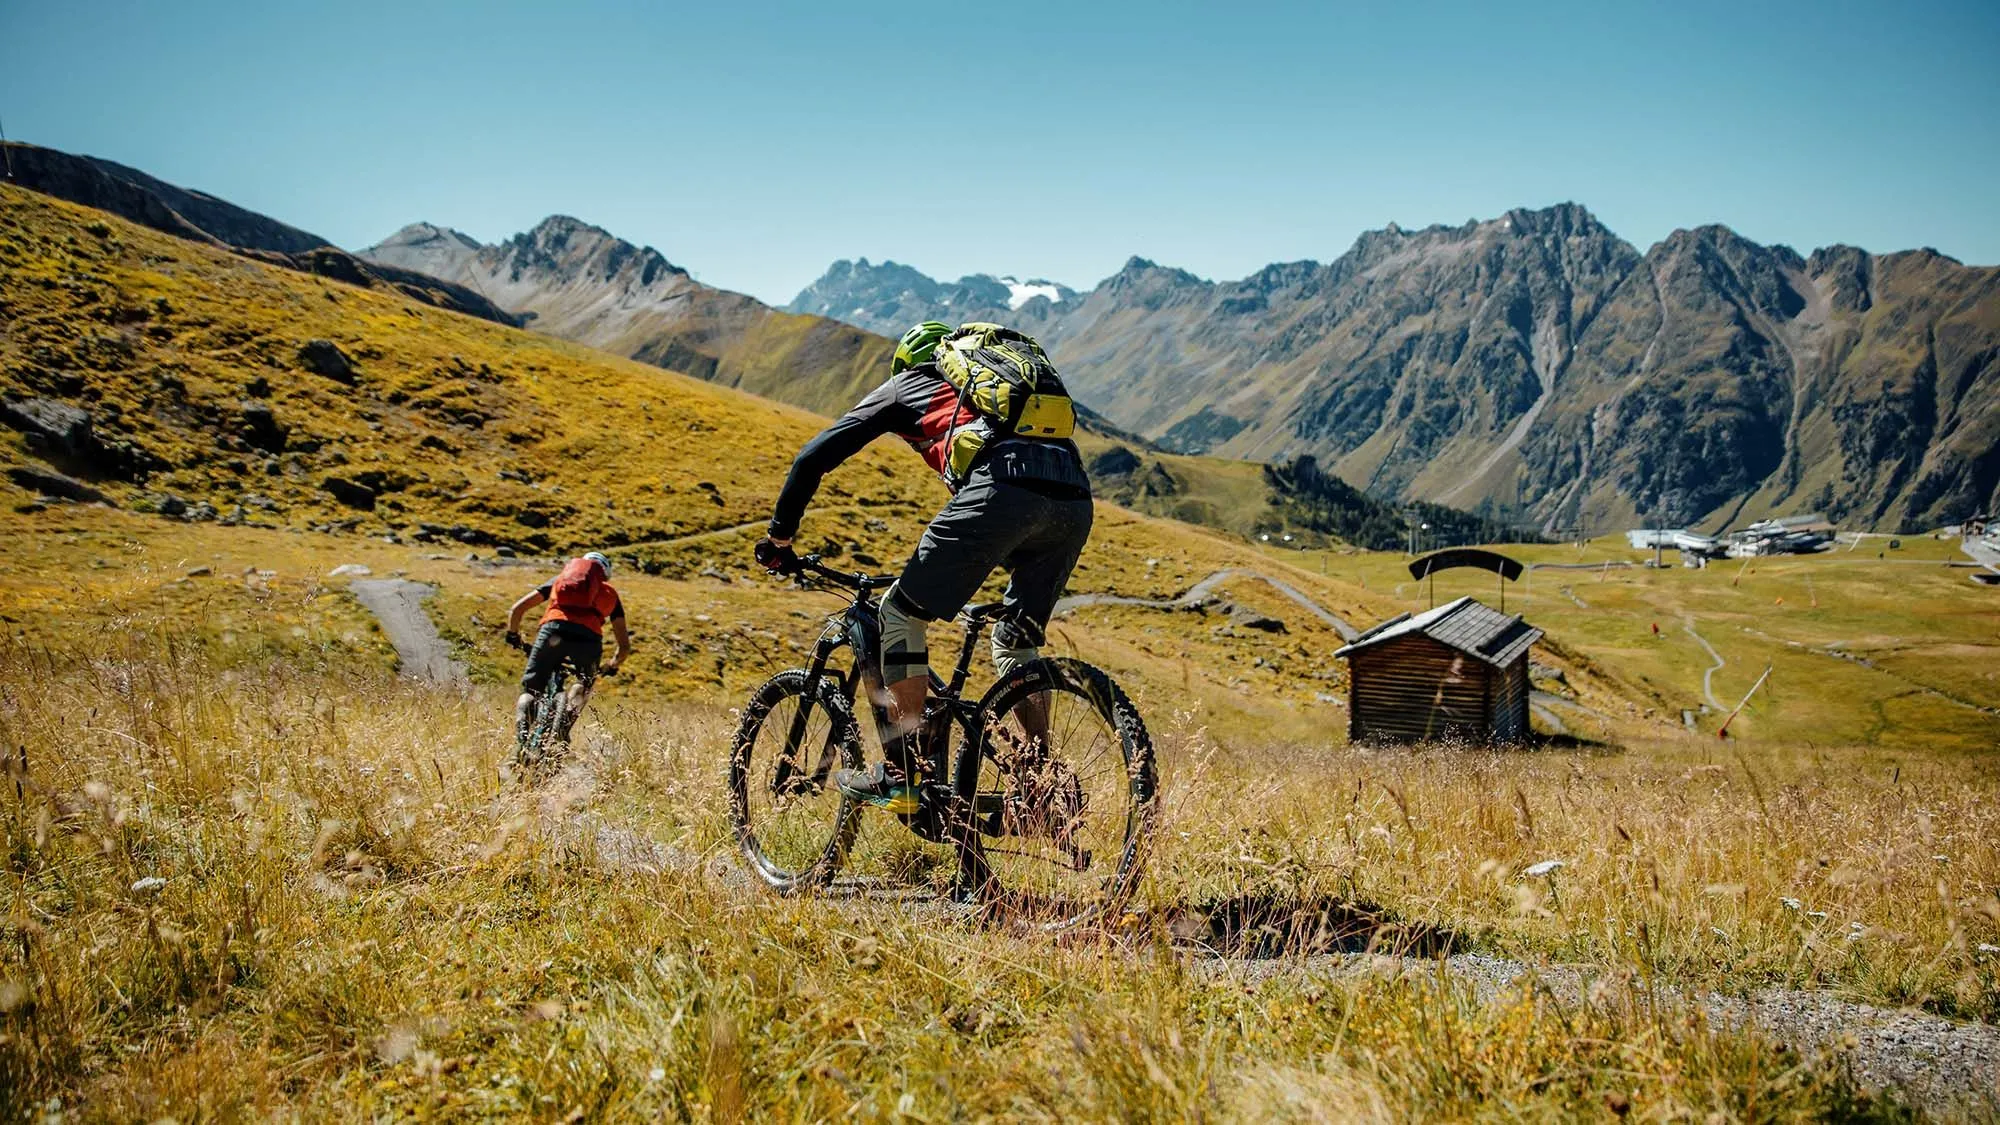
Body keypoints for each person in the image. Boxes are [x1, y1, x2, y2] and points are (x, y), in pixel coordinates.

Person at [755, 321, 1093, 813]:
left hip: (1003, 490)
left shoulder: (911, 382)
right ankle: (1043, 779)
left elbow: (814, 457)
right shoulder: (999, 394)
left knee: (900, 615)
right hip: (1075, 500)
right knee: (1015, 640)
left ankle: (906, 772)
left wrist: (780, 537)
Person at [505, 551, 630, 745]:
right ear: (605, 574)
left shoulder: (560, 581)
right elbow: (624, 647)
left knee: (531, 689)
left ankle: (521, 740)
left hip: (553, 630)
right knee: (583, 681)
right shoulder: (609, 593)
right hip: (588, 639)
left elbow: (517, 609)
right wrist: (612, 665)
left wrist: (514, 636)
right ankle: (562, 729)